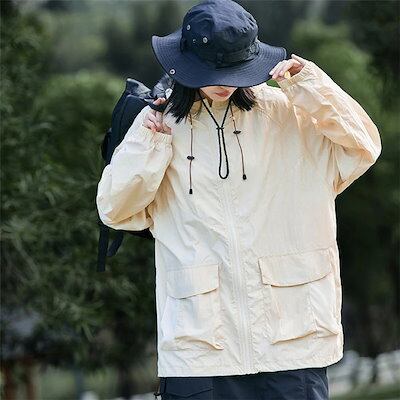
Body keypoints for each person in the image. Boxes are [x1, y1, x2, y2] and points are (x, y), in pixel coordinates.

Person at [95, 0, 382, 399]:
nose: (222, 83)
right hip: (198, 351)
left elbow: (363, 147)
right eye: (210, 71)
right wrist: (150, 145)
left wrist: (310, 85)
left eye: (232, 70)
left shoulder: (291, 113)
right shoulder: (159, 124)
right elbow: (115, 210)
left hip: (293, 343)